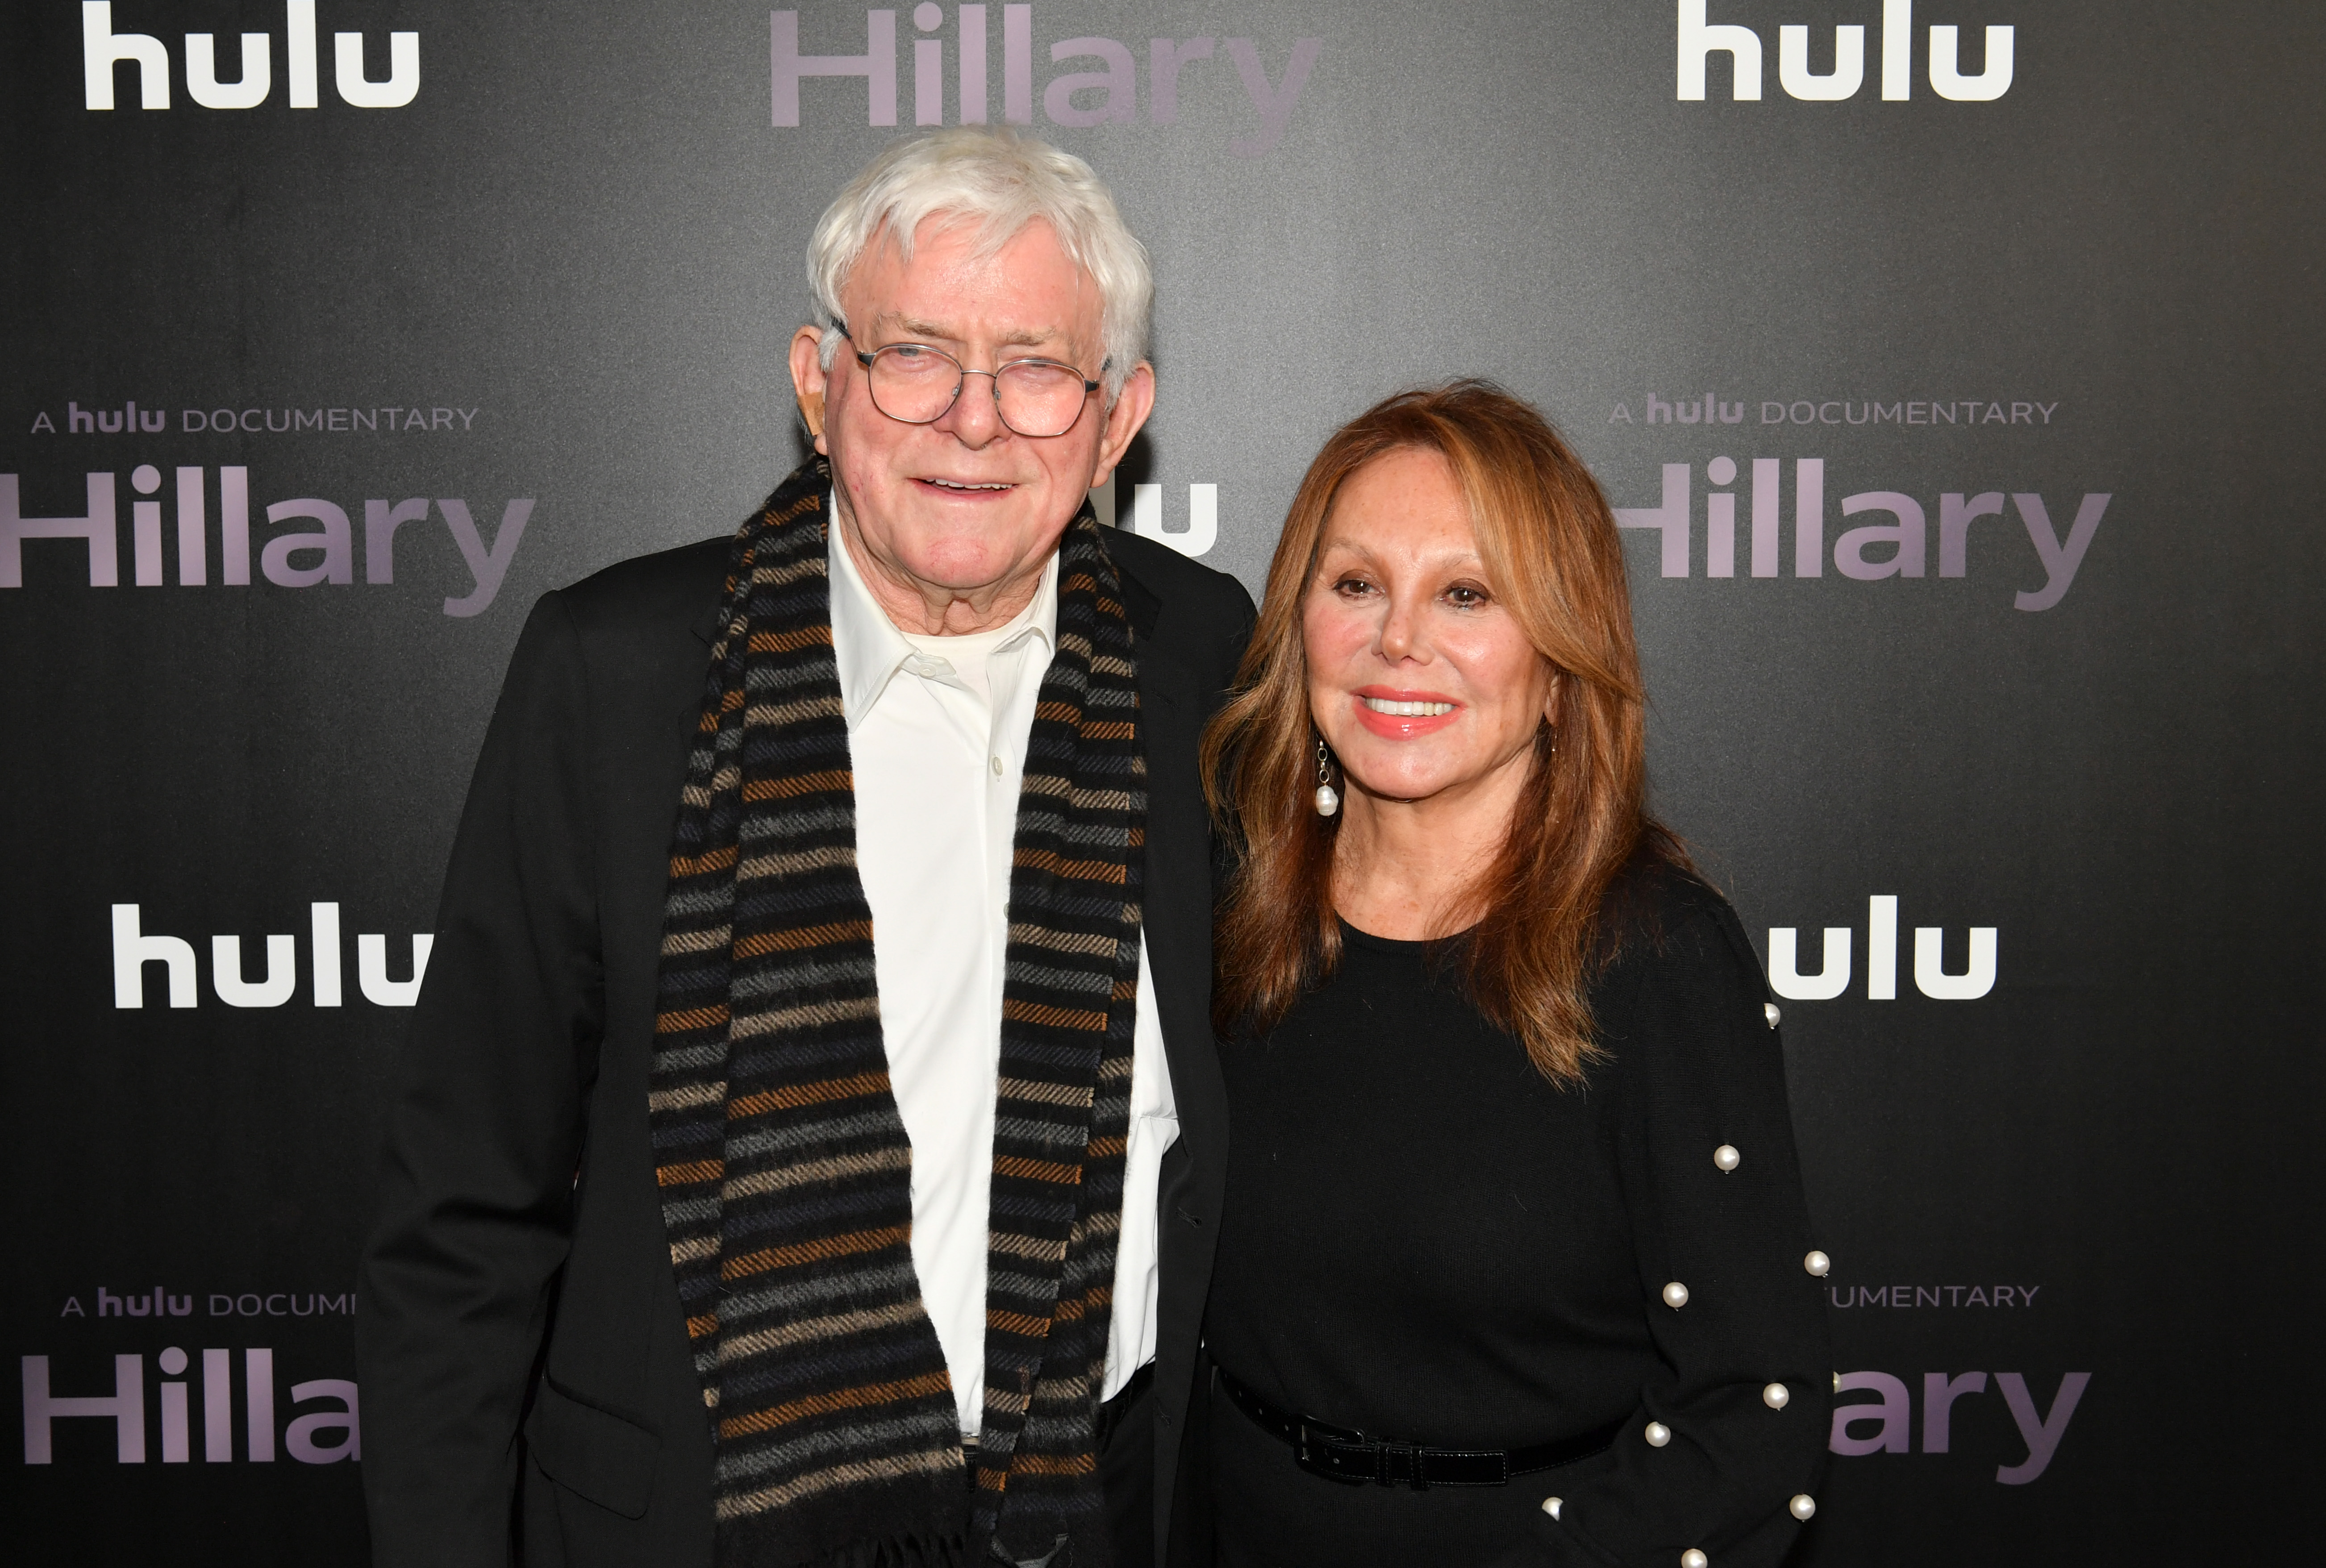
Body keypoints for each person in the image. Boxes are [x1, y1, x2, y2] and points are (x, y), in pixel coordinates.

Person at [355, 129, 1255, 1568]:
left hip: (1101, 1508)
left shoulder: (1203, 655)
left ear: (1115, 414)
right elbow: (466, 1209)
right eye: (914, 354)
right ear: (818, 379)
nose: (973, 421)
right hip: (702, 1522)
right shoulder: (619, 674)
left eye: (1033, 365)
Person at [1194, 383, 1833, 1567]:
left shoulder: (1654, 953)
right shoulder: (1224, 906)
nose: (1399, 640)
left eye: (1465, 593)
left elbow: (1755, 1399)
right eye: (1355, 584)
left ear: (1556, 659)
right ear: (1297, 624)